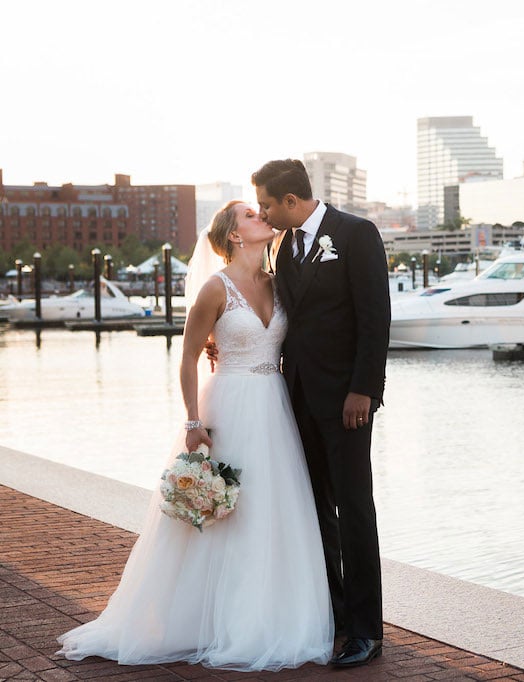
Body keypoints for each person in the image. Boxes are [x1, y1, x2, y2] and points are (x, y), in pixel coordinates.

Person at [57, 202, 333, 671]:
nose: (261, 215)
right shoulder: (214, 288)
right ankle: (207, 620)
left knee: (273, 509)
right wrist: (191, 422)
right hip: (228, 405)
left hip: (274, 406)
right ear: (233, 235)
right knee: (224, 512)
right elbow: (187, 359)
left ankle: (271, 616)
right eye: (250, 214)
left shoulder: (278, 281)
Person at [253, 159, 391, 668]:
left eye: (267, 203)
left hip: (348, 402)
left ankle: (366, 631)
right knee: (315, 512)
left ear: (290, 201)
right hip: (298, 399)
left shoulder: (356, 234)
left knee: (354, 511)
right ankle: (332, 615)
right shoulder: (281, 245)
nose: (263, 212)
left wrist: (364, 390)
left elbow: (375, 319)